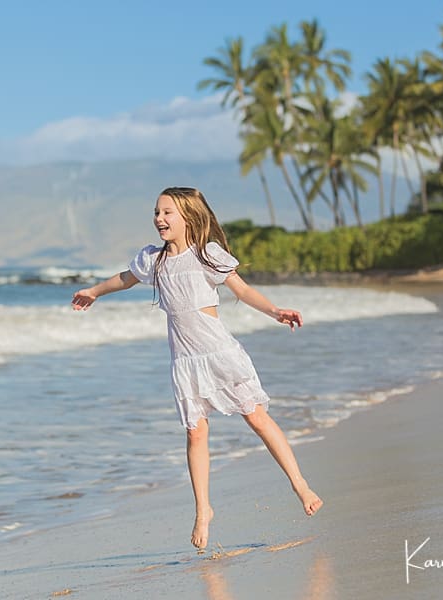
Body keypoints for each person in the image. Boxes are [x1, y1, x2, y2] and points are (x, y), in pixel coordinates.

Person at [71, 186, 322, 550]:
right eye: (156, 212)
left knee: (256, 418)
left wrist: (275, 311)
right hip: (185, 363)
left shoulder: (207, 255)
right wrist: (94, 291)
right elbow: (124, 278)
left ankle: (300, 485)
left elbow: (243, 290)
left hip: (220, 354)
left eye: (167, 212)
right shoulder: (153, 260)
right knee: (195, 434)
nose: (159, 218)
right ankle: (203, 509)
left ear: (187, 216)